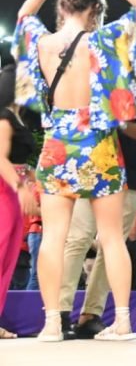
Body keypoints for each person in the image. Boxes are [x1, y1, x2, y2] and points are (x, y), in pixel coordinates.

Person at [14, 0, 136, 341]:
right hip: (98, 143)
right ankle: (123, 322)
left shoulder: (44, 43)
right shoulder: (104, 39)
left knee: (55, 237)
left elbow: (24, 14)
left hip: (58, 143)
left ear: (62, 8)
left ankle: (50, 324)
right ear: (95, 10)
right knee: (111, 237)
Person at [60, 33, 136, 340]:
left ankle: (91, 315)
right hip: (90, 174)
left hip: (127, 177)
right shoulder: (97, 83)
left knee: (112, 247)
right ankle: (60, 311)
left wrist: (117, 123)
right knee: (76, 240)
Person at [0, 65, 38, 339]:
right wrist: (21, 186)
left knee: (9, 257)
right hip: (5, 189)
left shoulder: (18, 117)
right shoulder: (4, 118)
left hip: (15, 189)